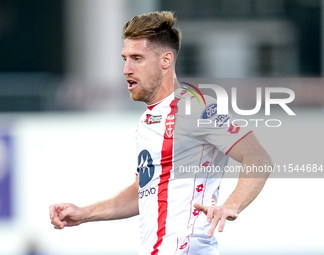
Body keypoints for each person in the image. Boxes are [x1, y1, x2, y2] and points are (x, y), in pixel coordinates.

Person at [49, 11, 272, 255]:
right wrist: (84, 214)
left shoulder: (194, 107)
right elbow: (143, 191)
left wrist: (231, 204)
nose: (126, 69)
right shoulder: (148, 120)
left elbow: (258, 158)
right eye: (125, 58)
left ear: (166, 60)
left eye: (137, 59)